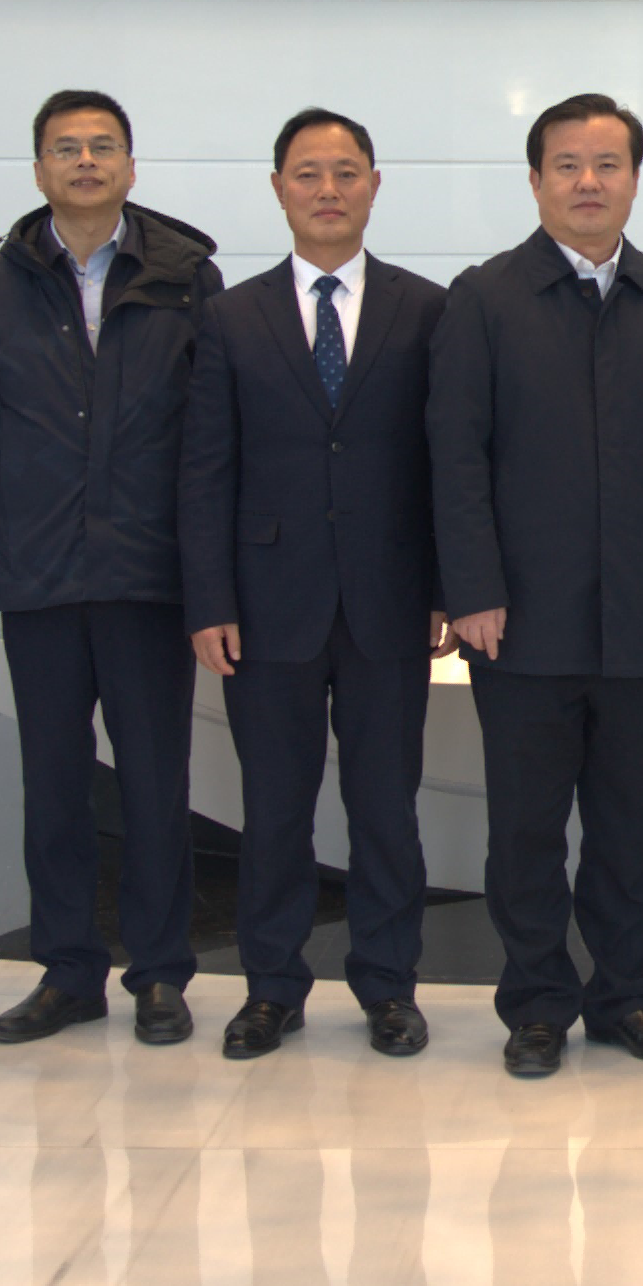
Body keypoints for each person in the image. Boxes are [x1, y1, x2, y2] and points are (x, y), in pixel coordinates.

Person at [431, 93, 643, 1077]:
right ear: (535, 180)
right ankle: (536, 1006)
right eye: (567, 164)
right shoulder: (483, 298)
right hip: (518, 622)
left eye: (607, 164)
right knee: (524, 830)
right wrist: (471, 586)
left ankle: (627, 999)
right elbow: (455, 457)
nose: (587, 181)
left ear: (634, 180)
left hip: (642, 618)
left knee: (627, 826)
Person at [0, 91, 220, 1049]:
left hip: (150, 577)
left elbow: (211, 434)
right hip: (44, 579)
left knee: (155, 783)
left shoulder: (188, 279)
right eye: (66, 148)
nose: (87, 161)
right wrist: (14, 542)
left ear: (132, 167)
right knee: (54, 786)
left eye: (104, 146)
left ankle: (160, 972)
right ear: (39, 172)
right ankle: (67, 972)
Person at [186, 110, 448, 1061]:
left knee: (386, 809)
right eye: (308, 173)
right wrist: (209, 600)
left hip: (390, 600)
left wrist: (445, 585)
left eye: (346, 172)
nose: (328, 190)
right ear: (278, 188)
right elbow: (204, 467)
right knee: (274, 810)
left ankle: (389, 986)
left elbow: (446, 462)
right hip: (266, 606)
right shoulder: (229, 316)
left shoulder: (428, 309)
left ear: (375, 184)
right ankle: (271, 988)